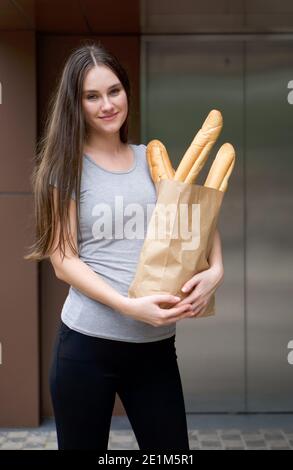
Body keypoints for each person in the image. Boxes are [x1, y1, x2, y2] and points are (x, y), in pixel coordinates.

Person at [24, 42, 224, 451]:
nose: (107, 104)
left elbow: (198, 224)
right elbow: (63, 261)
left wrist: (215, 271)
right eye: (92, 96)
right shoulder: (66, 168)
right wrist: (129, 307)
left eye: (114, 90)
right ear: (75, 104)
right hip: (86, 348)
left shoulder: (152, 159)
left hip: (155, 350)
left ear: (126, 90)